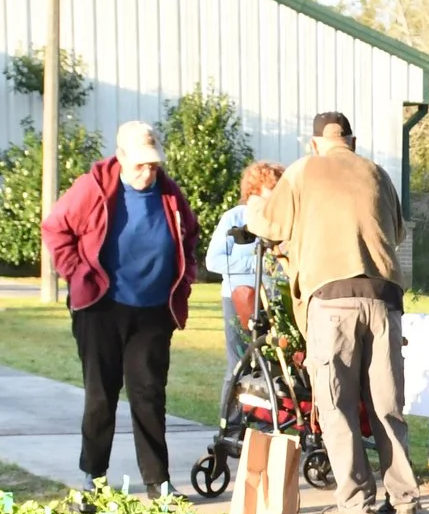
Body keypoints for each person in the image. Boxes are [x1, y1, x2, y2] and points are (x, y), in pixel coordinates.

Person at [251, 116, 420, 514]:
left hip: (331, 301)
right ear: (352, 141)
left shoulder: (302, 171)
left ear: (314, 144)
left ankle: (357, 503)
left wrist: (254, 206)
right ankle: (404, 499)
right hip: (383, 299)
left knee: (337, 406)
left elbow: (268, 224)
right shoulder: (377, 173)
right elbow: (396, 232)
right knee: (386, 404)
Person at [41, 120, 200, 495]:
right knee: (101, 395)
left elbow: (189, 236)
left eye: (153, 165)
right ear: (121, 157)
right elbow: (55, 229)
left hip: (153, 310)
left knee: (149, 395)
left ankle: (158, 483)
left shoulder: (169, 192)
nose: (148, 172)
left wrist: (185, 278)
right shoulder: (92, 187)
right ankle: (93, 477)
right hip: (102, 308)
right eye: (140, 165)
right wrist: (77, 273)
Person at [209, 160, 284, 385]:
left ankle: (269, 407)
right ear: (255, 190)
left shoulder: (283, 221)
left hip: (275, 301)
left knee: (275, 364)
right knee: (239, 364)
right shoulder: (234, 218)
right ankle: (232, 408)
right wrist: (256, 264)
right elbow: (214, 261)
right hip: (239, 298)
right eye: (272, 188)